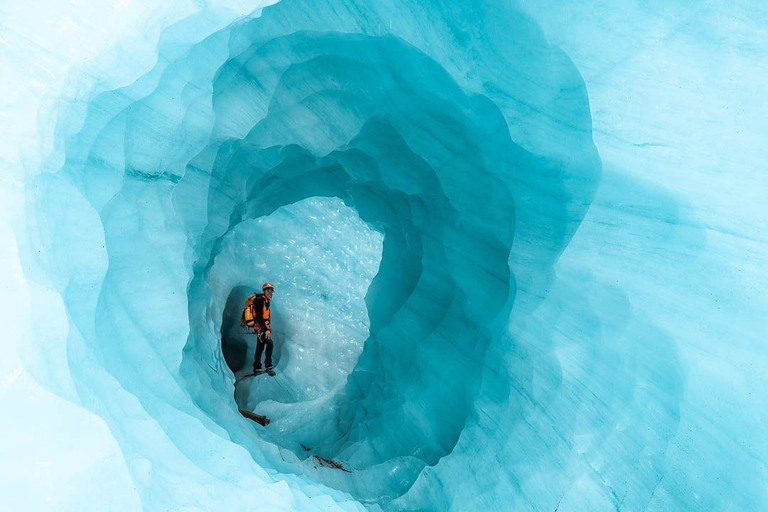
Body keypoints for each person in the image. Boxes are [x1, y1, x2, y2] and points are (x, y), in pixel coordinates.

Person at [252, 282, 275, 376]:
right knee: (270, 344)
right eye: (268, 290)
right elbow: (259, 318)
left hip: (263, 328)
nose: (270, 292)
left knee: (260, 347)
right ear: (264, 291)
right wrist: (265, 329)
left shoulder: (266, 300)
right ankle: (268, 366)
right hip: (261, 329)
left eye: (271, 290)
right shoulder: (259, 300)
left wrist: (267, 328)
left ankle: (257, 368)